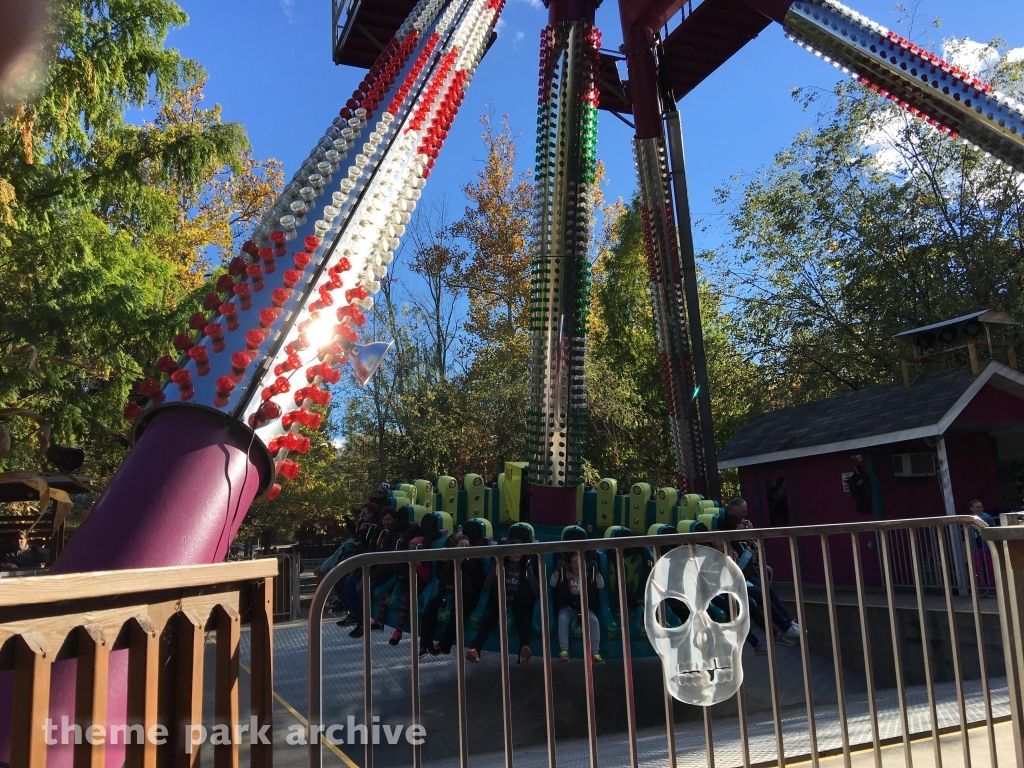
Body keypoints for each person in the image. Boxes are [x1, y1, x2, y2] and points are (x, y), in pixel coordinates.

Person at [721, 498, 801, 654]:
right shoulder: (729, 543)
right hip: (733, 581)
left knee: (769, 590)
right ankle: (782, 628)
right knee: (760, 595)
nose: (745, 515)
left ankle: (787, 623)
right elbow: (739, 565)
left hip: (744, 577)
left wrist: (750, 541)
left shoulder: (740, 541)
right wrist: (749, 548)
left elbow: (750, 556)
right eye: (742, 512)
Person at [467, 545, 539, 665]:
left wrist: (530, 572)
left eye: (520, 551)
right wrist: (494, 569)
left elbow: (536, 591)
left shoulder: (526, 567)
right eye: (514, 552)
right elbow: (487, 585)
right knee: (489, 619)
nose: (518, 554)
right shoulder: (501, 565)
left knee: (523, 620)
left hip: (520, 602)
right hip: (502, 601)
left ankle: (523, 651)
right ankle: (475, 649)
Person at [339, 508, 397, 637]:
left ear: (395, 520)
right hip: (371, 567)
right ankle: (353, 614)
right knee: (349, 580)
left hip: (384, 573)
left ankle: (361, 622)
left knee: (364, 586)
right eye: (384, 519)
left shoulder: (396, 537)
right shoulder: (380, 533)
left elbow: (389, 563)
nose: (386, 522)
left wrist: (369, 575)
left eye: (389, 519)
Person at [420, 534, 471, 656]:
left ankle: (444, 645)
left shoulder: (471, 563)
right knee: (431, 607)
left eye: (467, 546)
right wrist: (444, 563)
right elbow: (440, 578)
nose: (464, 549)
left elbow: (471, 586)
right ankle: (425, 644)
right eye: (461, 546)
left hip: (465, 595)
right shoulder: (447, 563)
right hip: (447, 592)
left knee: (457, 610)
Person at [550, 553, 605, 663]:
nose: (578, 565)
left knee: (594, 621)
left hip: (585, 606)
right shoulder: (565, 574)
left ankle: (595, 653)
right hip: (568, 606)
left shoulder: (590, 575)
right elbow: (552, 583)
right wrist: (557, 570)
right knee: (563, 619)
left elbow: (601, 585)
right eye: (575, 563)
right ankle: (564, 651)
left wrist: (597, 572)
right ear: (570, 565)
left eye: (581, 563)